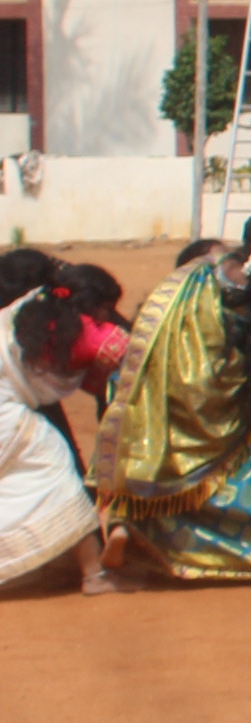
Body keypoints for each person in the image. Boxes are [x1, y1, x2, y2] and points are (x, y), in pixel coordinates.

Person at [92, 211, 251, 584]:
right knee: (246, 476)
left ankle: (126, 527)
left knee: (166, 458)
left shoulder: (207, 270)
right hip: (217, 387)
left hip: (170, 376)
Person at [0, 254, 128, 593]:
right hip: (3, 413)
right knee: (59, 472)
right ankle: (94, 575)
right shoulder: (92, 334)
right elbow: (131, 359)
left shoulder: (33, 304)